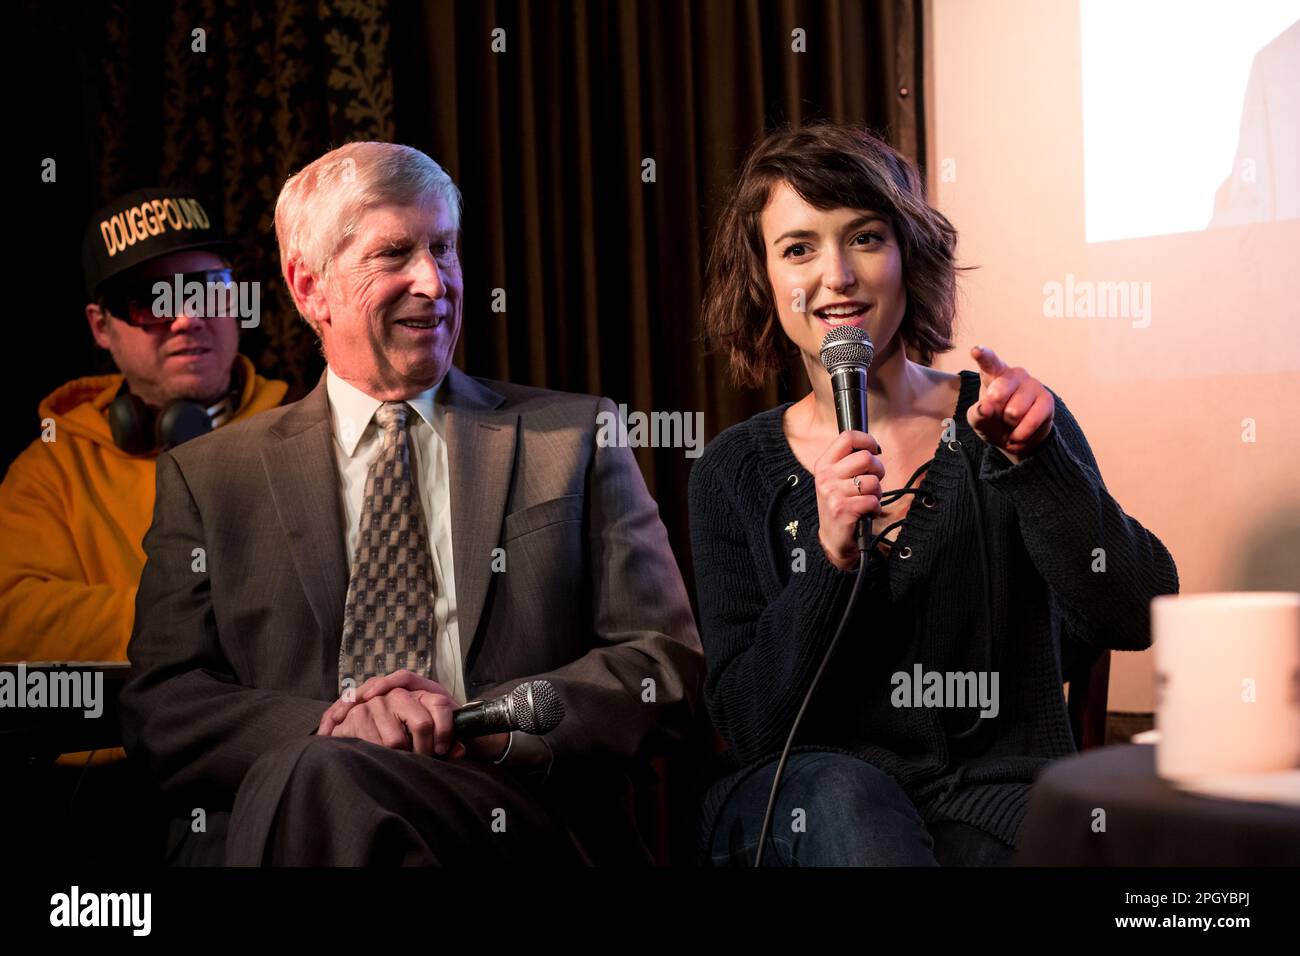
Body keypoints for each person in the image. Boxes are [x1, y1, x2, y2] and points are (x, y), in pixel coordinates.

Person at [118, 142, 704, 865]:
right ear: (310, 289)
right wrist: (341, 730)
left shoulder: (573, 437)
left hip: (511, 816)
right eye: (394, 254)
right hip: (292, 814)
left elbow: (664, 670)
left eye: (444, 248)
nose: (434, 280)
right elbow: (163, 711)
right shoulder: (210, 478)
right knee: (326, 780)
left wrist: (476, 721)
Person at [689, 123, 1180, 866]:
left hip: (987, 799)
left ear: (907, 255)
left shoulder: (1007, 420)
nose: (837, 276)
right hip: (802, 803)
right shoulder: (731, 472)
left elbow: (1141, 610)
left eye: (864, 238)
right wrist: (827, 558)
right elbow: (753, 725)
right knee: (850, 809)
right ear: (762, 277)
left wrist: (1040, 467)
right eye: (798, 248)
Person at [0, 188, 287, 760]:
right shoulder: (49, 469)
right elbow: (13, 617)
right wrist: (210, 622)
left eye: (206, 289)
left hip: (274, 761)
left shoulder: (306, 433)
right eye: (150, 300)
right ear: (100, 327)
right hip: (107, 788)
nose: (186, 318)